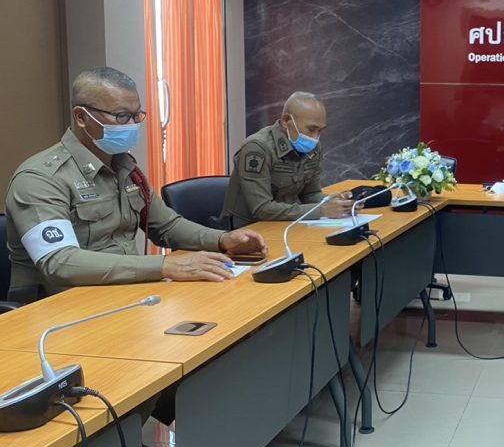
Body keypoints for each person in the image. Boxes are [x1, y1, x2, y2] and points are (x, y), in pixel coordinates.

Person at [4, 67, 267, 298]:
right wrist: (165, 267)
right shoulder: (41, 178)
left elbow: (166, 226)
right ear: (81, 117)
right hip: (59, 307)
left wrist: (223, 240)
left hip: (126, 292)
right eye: (121, 116)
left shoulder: (124, 167)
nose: (131, 125)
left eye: (136, 115)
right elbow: (59, 262)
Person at [222, 92, 352, 227]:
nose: (315, 137)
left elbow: (310, 194)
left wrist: (333, 203)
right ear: (286, 121)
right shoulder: (257, 149)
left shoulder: (313, 148)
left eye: (320, 131)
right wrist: (321, 210)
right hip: (246, 229)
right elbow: (262, 209)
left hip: (286, 224)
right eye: (311, 129)